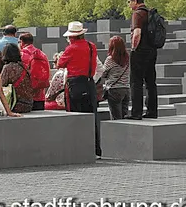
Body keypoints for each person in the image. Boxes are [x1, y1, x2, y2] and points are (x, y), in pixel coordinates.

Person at [57, 21, 101, 158]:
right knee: (91, 118)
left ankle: (77, 150)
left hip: (75, 84)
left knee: (75, 116)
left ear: (71, 37)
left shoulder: (71, 49)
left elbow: (60, 63)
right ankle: (96, 150)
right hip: (89, 83)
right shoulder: (91, 46)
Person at [126, 0, 158, 120]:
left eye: (129, 1)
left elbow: (137, 33)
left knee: (136, 82)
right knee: (150, 82)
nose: (128, 4)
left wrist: (134, 48)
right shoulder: (149, 13)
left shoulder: (137, 14)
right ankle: (152, 111)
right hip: (152, 51)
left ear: (135, 1)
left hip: (140, 51)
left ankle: (136, 113)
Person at [100, 36, 130, 120]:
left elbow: (103, 73)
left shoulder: (110, 59)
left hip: (114, 89)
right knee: (124, 116)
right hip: (126, 88)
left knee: (116, 118)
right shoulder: (127, 58)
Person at [19, 32, 50, 111]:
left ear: (22, 42)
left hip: (26, 96)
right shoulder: (42, 54)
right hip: (40, 95)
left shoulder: (22, 55)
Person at [0, 44, 35, 113]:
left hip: (15, 104)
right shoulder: (24, 66)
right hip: (29, 104)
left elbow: (1, 85)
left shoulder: (7, 68)